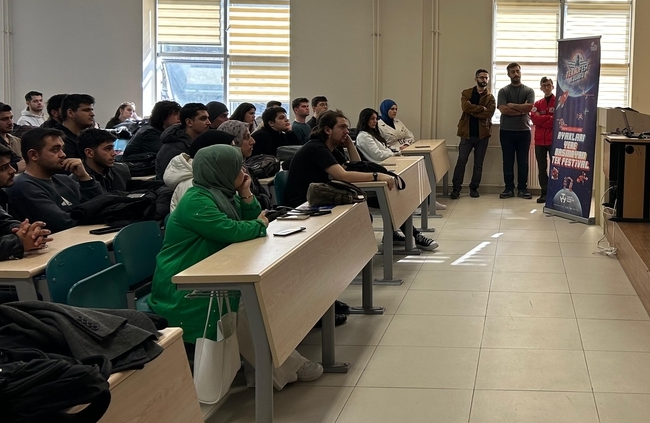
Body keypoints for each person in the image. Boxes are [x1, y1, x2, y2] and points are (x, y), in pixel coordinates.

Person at [149, 145, 324, 385]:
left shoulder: (223, 194)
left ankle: (261, 370)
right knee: (246, 305)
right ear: (219, 171)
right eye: (237, 168)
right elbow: (231, 230)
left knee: (258, 294)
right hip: (183, 283)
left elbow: (249, 218)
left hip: (215, 270)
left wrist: (246, 193)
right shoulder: (196, 199)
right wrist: (259, 224)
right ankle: (283, 368)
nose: (243, 172)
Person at [285, 111, 438, 251]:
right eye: (342, 127)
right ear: (327, 130)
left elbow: (356, 165)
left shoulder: (331, 148)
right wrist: (377, 176)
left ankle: (407, 234)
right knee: (368, 210)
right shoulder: (316, 148)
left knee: (387, 198)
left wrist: (350, 144)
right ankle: (412, 235)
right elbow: (343, 176)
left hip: (321, 196)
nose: (347, 131)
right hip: (305, 203)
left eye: (347, 127)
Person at [5, 127, 102, 233]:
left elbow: (103, 206)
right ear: (33, 155)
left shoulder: (65, 180)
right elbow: (62, 223)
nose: (63, 155)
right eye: (55, 150)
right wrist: (95, 215)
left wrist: (85, 178)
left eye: (62, 149)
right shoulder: (23, 186)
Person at [0, 142, 51, 261]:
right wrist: (19, 242)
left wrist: (30, 232)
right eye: (3, 168)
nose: (12, 170)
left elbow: (3, 222)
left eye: (10, 165)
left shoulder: (2, 195)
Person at [163, 129, 240, 212]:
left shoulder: (214, 178)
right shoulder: (194, 186)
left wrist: (244, 192)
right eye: (231, 149)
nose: (236, 154)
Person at [450, 69, 495, 199]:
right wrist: (481, 108)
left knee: (478, 164)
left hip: (483, 135)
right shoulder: (467, 93)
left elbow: (489, 113)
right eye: (481, 77)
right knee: (461, 161)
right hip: (467, 134)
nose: (484, 80)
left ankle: (474, 188)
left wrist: (473, 111)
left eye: (486, 78)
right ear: (476, 79)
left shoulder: (490, 97)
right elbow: (465, 107)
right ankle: (456, 189)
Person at [497, 62, 535, 199]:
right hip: (506, 131)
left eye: (517, 71)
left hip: (524, 131)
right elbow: (503, 109)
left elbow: (529, 107)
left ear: (520, 72)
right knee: (507, 161)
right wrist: (521, 109)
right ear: (508, 74)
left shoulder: (529, 91)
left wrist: (512, 105)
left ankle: (522, 189)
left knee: (523, 161)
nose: (516, 74)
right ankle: (509, 188)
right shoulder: (503, 91)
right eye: (512, 72)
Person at [155, 103, 211, 179]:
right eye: (203, 119)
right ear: (189, 122)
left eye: (208, 118)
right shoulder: (173, 148)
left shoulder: (203, 142)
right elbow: (169, 178)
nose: (209, 123)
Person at [79, 128, 132, 194]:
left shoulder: (121, 170)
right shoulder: (77, 180)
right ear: (89, 153)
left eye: (113, 148)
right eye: (108, 149)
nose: (114, 153)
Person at [530, 77, 556, 204]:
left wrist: (543, 118)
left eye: (549, 85)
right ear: (541, 88)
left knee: (555, 168)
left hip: (554, 141)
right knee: (542, 168)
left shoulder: (559, 102)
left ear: (552, 87)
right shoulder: (537, 104)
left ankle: (554, 193)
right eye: (544, 85)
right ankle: (544, 193)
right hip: (539, 141)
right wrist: (549, 118)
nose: (546, 87)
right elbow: (534, 119)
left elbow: (556, 120)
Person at [57, 93, 96, 159]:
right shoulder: (60, 139)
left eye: (91, 110)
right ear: (70, 113)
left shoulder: (85, 137)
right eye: (86, 110)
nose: (92, 114)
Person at [0, 104, 23, 172]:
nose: (10, 122)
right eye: (4, 119)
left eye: (11, 118)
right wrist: (15, 166)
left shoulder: (17, 141)